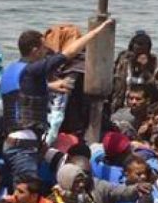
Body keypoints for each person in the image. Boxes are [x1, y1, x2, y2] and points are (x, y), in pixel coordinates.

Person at [6, 19, 114, 180]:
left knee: (65, 165)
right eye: (43, 48)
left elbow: (22, 91)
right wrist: (96, 32)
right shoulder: (32, 69)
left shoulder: (13, 70)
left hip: (17, 141)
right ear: (35, 50)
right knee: (28, 187)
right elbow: (67, 54)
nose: (46, 51)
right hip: (24, 146)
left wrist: (50, 86)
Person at [112, 31, 158, 111]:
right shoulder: (123, 62)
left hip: (148, 109)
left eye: (143, 52)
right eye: (136, 52)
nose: (139, 56)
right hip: (122, 108)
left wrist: (146, 71)